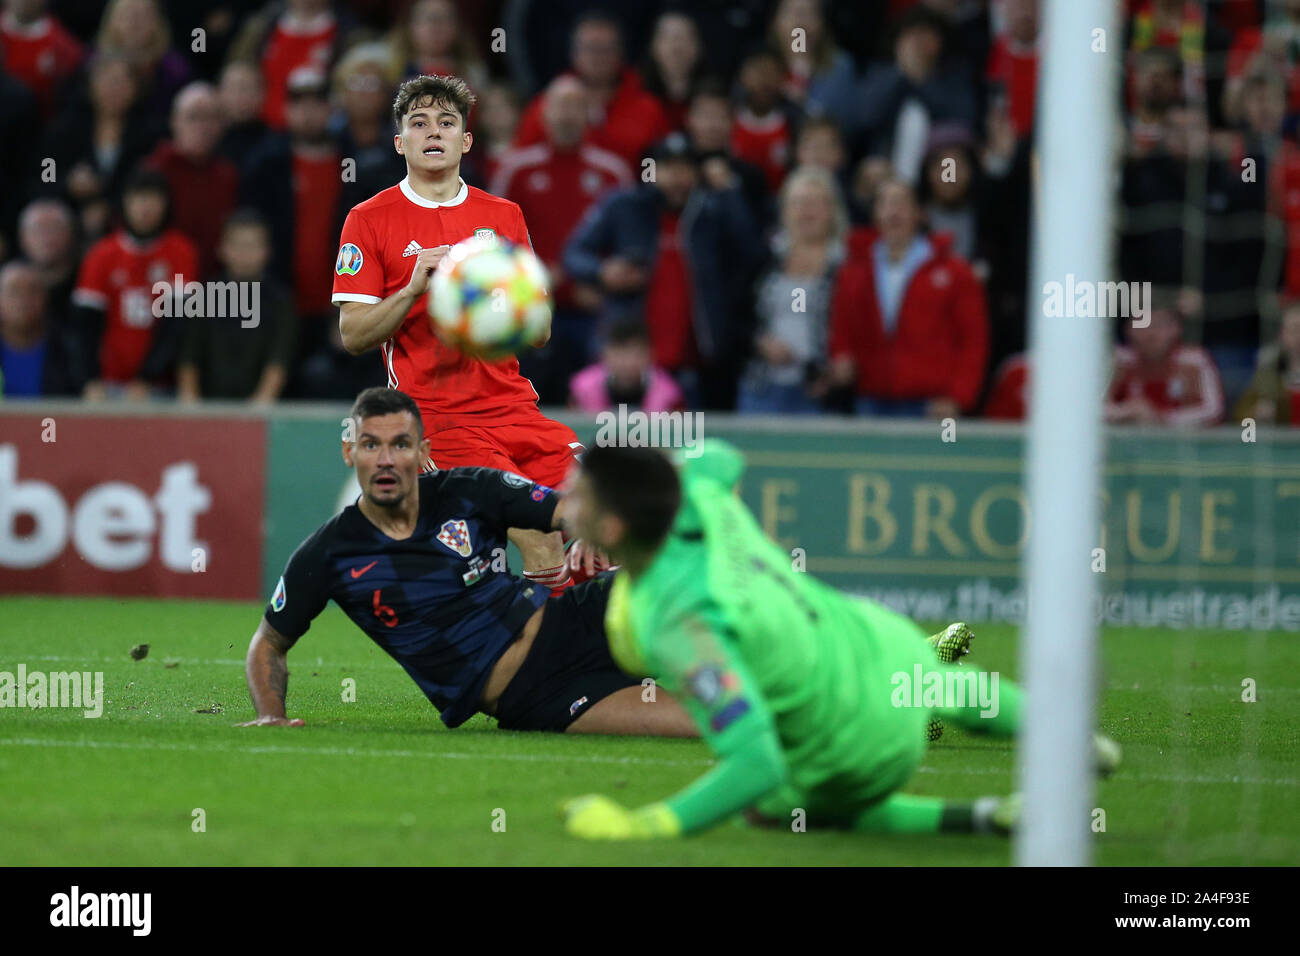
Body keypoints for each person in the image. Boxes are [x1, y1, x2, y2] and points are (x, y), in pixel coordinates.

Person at [558, 441, 1121, 839]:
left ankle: (984, 815)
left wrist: (647, 824)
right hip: (880, 640)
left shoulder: (678, 623)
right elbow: (725, 455)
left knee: (772, 807)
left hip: (858, 741)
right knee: (944, 685)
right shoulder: (700, 493)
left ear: (611, 532)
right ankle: (1072, 744)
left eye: (579, 493)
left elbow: (757, 761)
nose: (565, 492)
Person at [243, 387, 697, 737]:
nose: (386, 460)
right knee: (704, 722)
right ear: (349, 452)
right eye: (370, 445)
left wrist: (597, 533)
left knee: (691, 583)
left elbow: (566, 512)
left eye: (401, 445)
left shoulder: (470, 488)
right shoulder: (329, 552)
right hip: (538, 696)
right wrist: (270, 715)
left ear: (422, 452)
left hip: (578, 621)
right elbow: (268, 643)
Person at [332, 73, 592, 594]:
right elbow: (354, 335)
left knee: (599, 517)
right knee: (538, 535)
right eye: (420, 123)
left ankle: (581, 650)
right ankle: (554, 669)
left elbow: (539, 332)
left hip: (515, 407)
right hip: (440, 417)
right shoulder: (369, 219)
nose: (435, 132)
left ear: (465, 140)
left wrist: (500, 296)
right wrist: (409, 291)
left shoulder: (503, 216)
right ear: (400, 141)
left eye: (447, 122)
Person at [69, 167, 198, 399]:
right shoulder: (102, 254)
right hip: (106, 384)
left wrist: (146, 379)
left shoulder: (180, 252)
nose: (145, 208)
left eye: (154, 199)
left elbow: (177, 325)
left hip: (159, 387)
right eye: (138, 198)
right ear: (124, 203)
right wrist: (89, 379)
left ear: (166, 204)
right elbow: (85, 326)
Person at [177, 209, 296, 403]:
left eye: (252, 245)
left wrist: (259, 405)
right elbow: (188, 358)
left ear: (267, 251)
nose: (245, 253)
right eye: (238, 245)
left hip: (259, 409)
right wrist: (191, 406)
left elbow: (279, 359)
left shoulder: (280, 301)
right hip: (207, 407)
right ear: (222, 249)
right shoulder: (203, 297)